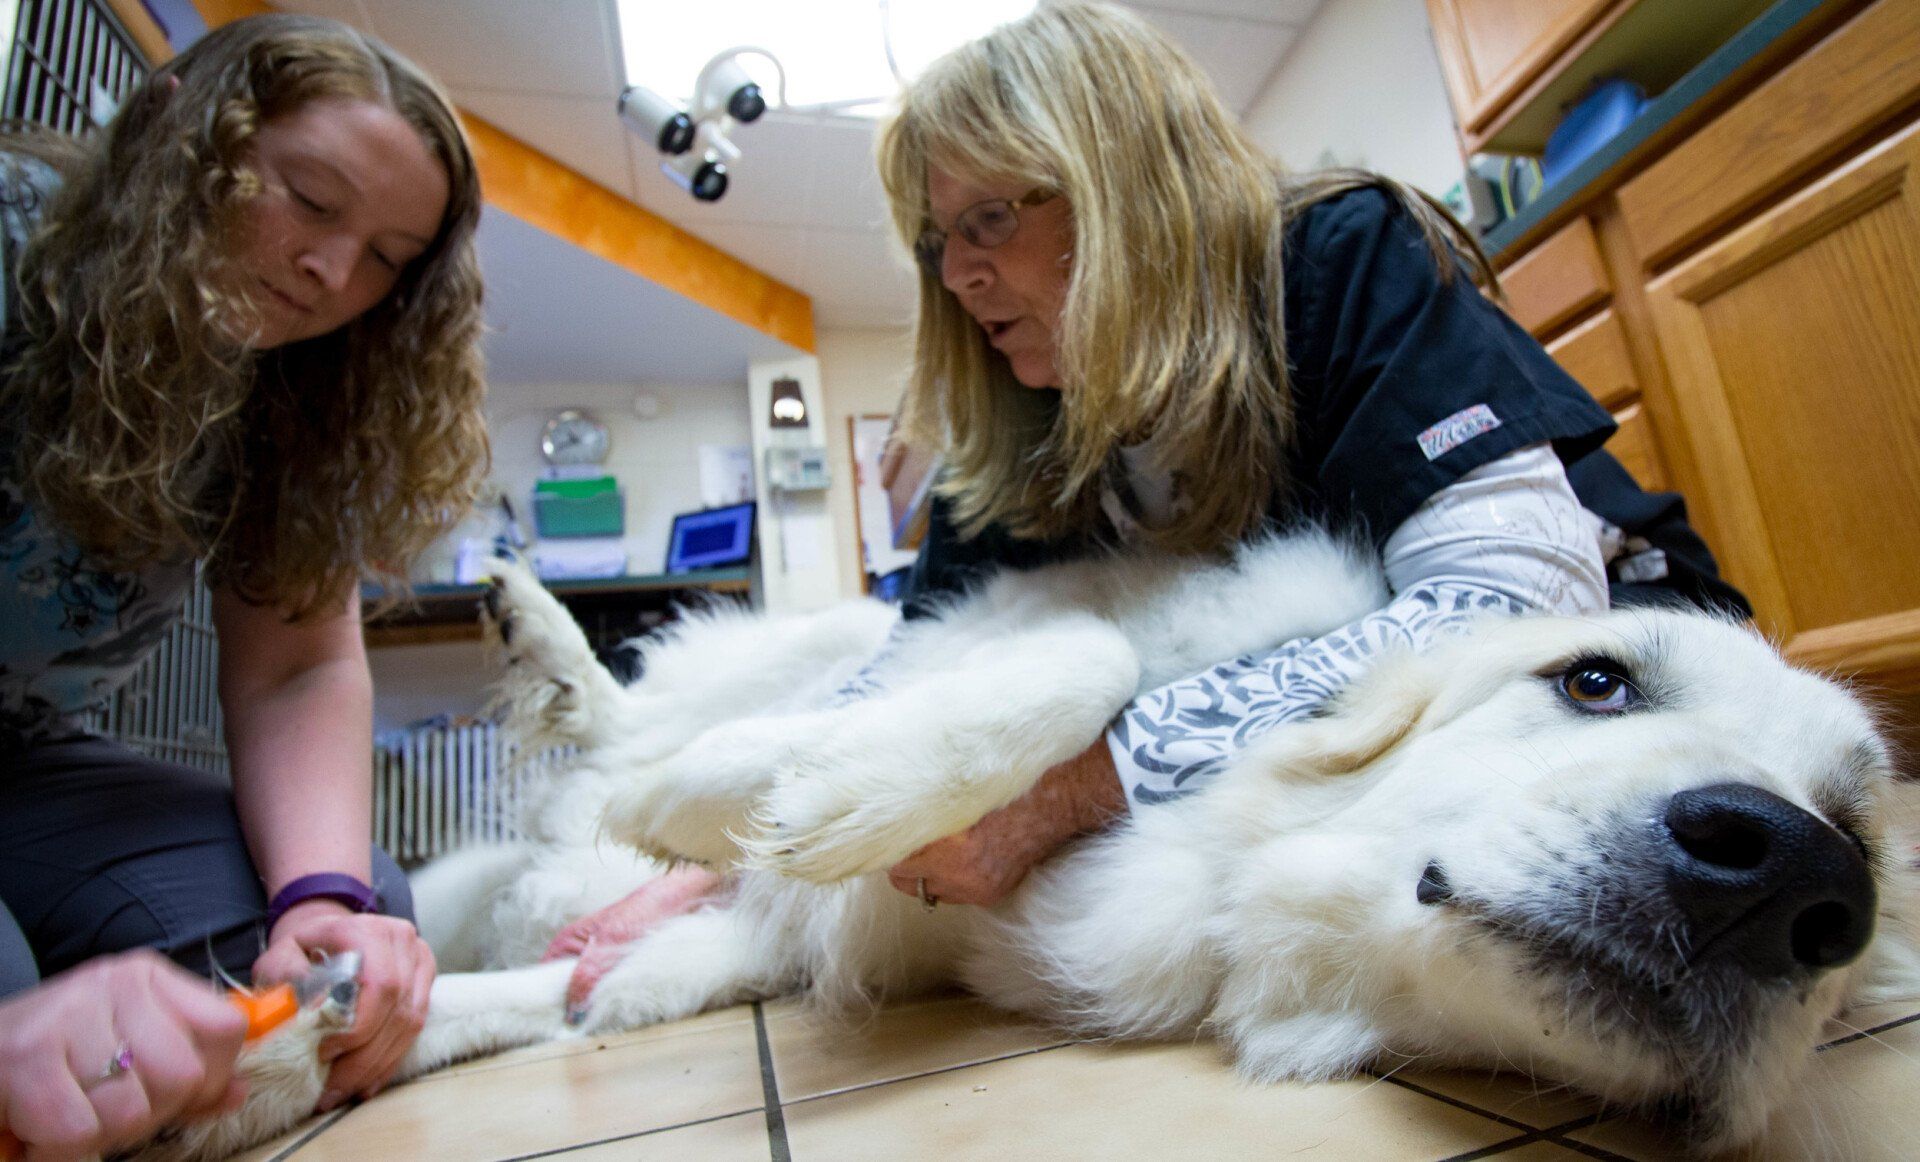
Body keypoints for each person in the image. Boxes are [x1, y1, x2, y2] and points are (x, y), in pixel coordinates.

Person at [544, 0, 1746, 997]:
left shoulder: (1333, 255)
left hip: (1617, 678)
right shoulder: (1023, 411)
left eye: (994, 217)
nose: (959, 272)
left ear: (1119, 185)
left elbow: (1508, 604)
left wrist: (1074, 784)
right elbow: (909, 673)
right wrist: (727, 865)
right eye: (936, 241)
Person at [0, 13, 487, 1158]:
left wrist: (318, 900)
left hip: (20, 763)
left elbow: (298, 664)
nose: (332, 273)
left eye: (388, 258)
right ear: (182, 132)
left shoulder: (287, 389)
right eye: (311, 201)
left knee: (346, 945)